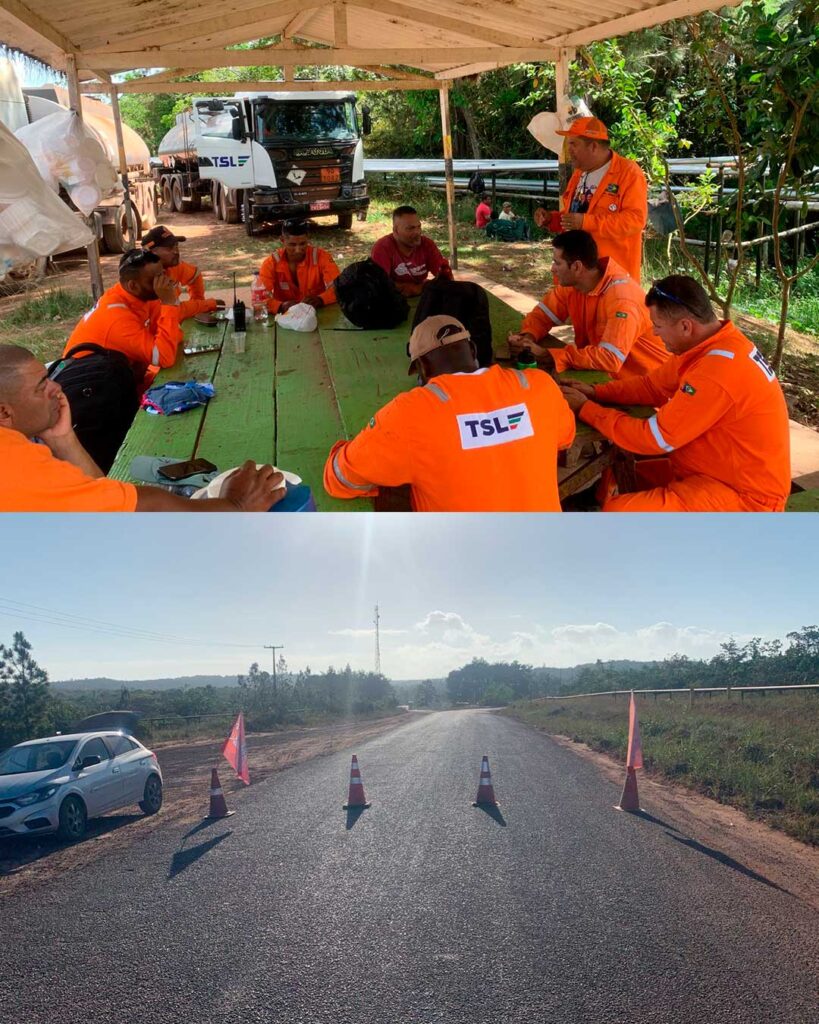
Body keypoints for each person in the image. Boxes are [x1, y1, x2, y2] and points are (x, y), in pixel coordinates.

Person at [558, 275, 791, 512]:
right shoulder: (710, 344)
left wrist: (586, 409)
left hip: (746, 498)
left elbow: (653, 438)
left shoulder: (716, 371)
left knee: (619, 511)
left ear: (685, 326)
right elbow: (652, 387)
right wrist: (596, 392)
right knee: (623, 472)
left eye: (657, 326)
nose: (656, 334)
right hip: (709, 472)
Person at [323, 315, 575, 512]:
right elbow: (565, 437)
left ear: (421, 368)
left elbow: (340, 479)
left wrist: (354, 447)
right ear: (473, 351)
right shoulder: (539, 385)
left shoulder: (410, 413)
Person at [0, 345, 285, 512]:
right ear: (4, 411)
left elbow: (104, 501)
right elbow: (138, 512)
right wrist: (236, 505)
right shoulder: (15, 461)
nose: (57, 387)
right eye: (41, 386)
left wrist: (63, 439)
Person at [507, 230, 667, 379]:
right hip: (605, 378)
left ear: (577, 267)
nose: (552, 269)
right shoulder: (573, 285)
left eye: (557, 263)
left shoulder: (622, 300)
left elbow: (609, 359)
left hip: (647, 388)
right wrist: (527, 339)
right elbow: (542, 316)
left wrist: (549, 355)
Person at [535, 117, 647, 281]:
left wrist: (586, 222)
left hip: (611, 279)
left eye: (574, 144)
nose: (568, 149)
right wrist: (551, 219)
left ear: (593, 146)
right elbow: (574, 218)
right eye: (568, 143)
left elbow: (634, 221)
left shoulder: (628, 173)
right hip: (576, 276)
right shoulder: (579, 173)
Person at [64, 249, 186, 385]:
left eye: (163, 274)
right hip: (90, 387)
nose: (165, 282)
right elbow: (165, 357)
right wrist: (169, 304)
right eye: (156, 279)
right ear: (133, 285)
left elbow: (176, 336)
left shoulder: (142, 295)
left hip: (117, 374)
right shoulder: (117, 317)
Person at [141, 225, 224, 320]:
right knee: (218, 304)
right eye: (169, 248)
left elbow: (195, 275)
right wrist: (206, 305)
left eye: (176, 246)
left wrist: (198, 301)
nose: (176, 251)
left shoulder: (173, 266)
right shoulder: (145, 280)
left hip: (171, 324)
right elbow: (175, 312)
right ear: (152, 253)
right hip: (156, 330)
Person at [259, 220, 341, 316]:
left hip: (317, 313)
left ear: (308, 239)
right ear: (282, 240)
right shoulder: (271, 263)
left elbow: (339, 288)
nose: (298, 250)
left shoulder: (322, 257)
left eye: (302, 244)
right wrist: (280, 306)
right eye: (292, 245)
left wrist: (321, 299)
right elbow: (260, 297)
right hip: (284, 316)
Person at [370, 206, 453, 297]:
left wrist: (420, 288)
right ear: (395, 231)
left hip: (421, 297)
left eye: (419, 227)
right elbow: (379, 284)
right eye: (410, 228)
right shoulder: (383, 248)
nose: (417, 232)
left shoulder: (427, 245)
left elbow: (445, 279)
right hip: (392, 301)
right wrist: (411, 287)